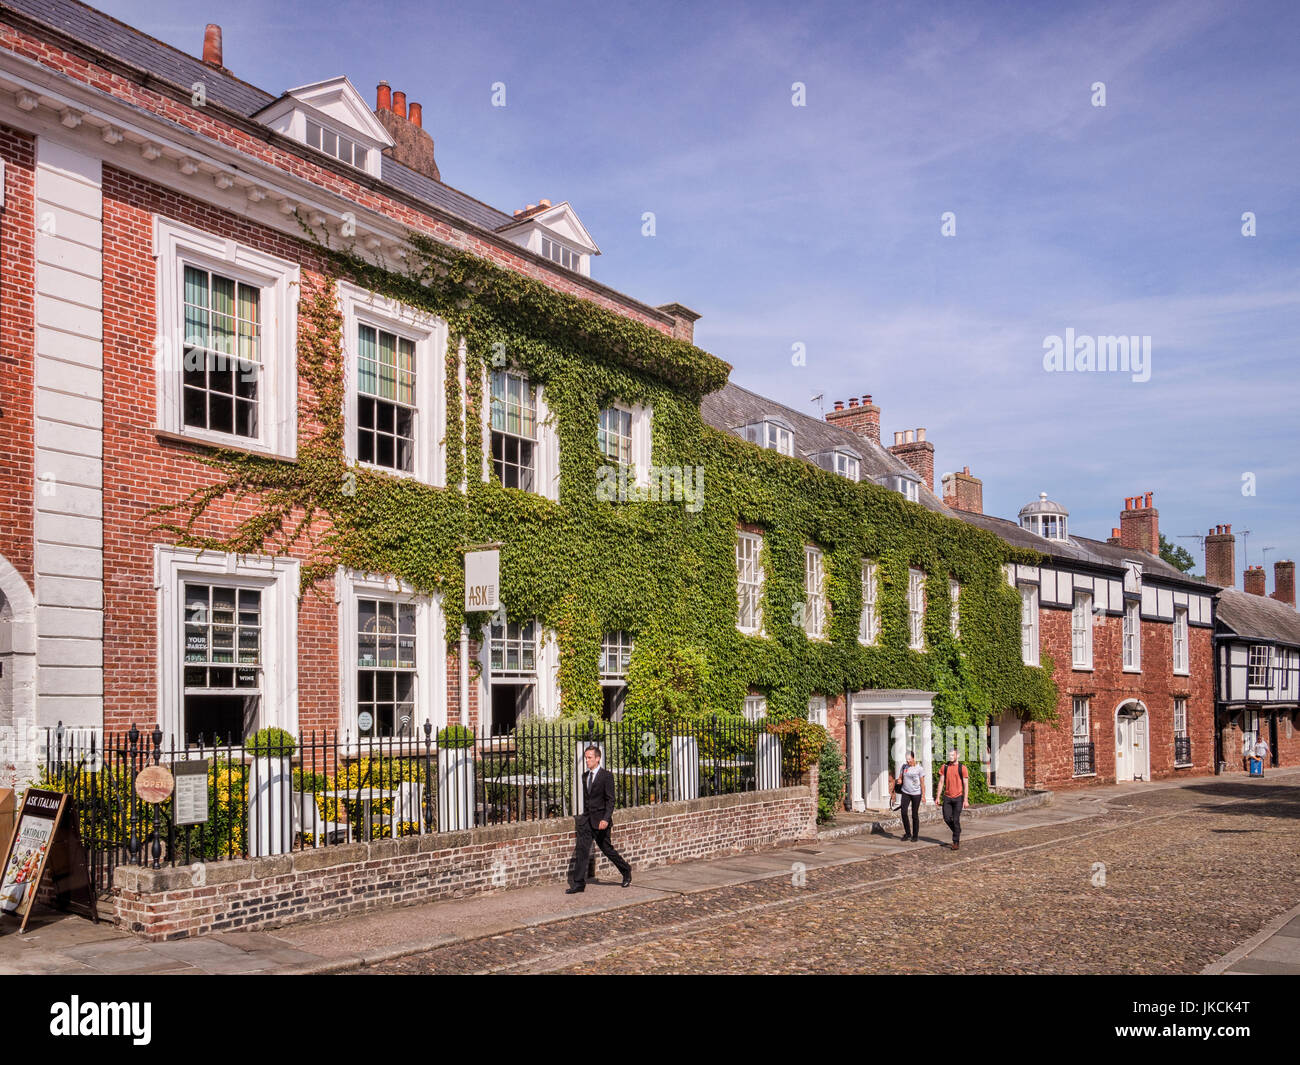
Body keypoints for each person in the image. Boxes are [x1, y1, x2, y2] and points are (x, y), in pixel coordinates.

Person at [566, 745, 632, 893]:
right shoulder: (585, 776)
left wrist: (606, 819)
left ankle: (626, 870)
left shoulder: (606, 776)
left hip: (601, 821)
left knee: (607, 849)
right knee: (582, 851)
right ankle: (578, 884)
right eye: (586, 757)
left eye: (589, 757)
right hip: (587, 821)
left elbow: (611, 800)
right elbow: (587, 800)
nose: (587, 760)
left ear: (598, 758)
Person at [934, 748, 969, 850]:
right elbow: (941, 782)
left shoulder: (962, 768)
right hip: (947, 797)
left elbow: (966, 785)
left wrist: (965, 800)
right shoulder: (944, 767)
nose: (951, 757)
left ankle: (955, 842)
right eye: (949, 755)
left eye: (953, 755)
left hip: (958, 798)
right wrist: (937, 797)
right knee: (947, 818)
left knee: (956, 819)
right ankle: (957, 831)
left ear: (957, 755)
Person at [895, 752, 924, 841]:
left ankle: (915, 835)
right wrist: (899, 780)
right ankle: (908, 833)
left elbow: (922, 783)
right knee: (903, 812)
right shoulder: (904, 767)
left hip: (916, 794)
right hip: (905, 792)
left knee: (914, 815)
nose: (908, 761)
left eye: (909, 759)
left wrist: (923, 796)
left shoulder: (919, 768)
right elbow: (900, 777)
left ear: (913, 758)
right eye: (907, 759)